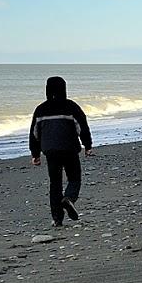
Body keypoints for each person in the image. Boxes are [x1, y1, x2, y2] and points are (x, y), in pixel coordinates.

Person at [29, 75, 93, 226]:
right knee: (74, 178)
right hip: (70, 149)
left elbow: (34, 133)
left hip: (50, 151)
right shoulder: (71, 106)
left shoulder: (40, 109)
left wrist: (35, 154)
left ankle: (57, 219)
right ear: (64, 89)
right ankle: (69, 198)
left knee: (55, 183)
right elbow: (82, 127)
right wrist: (88, 146)